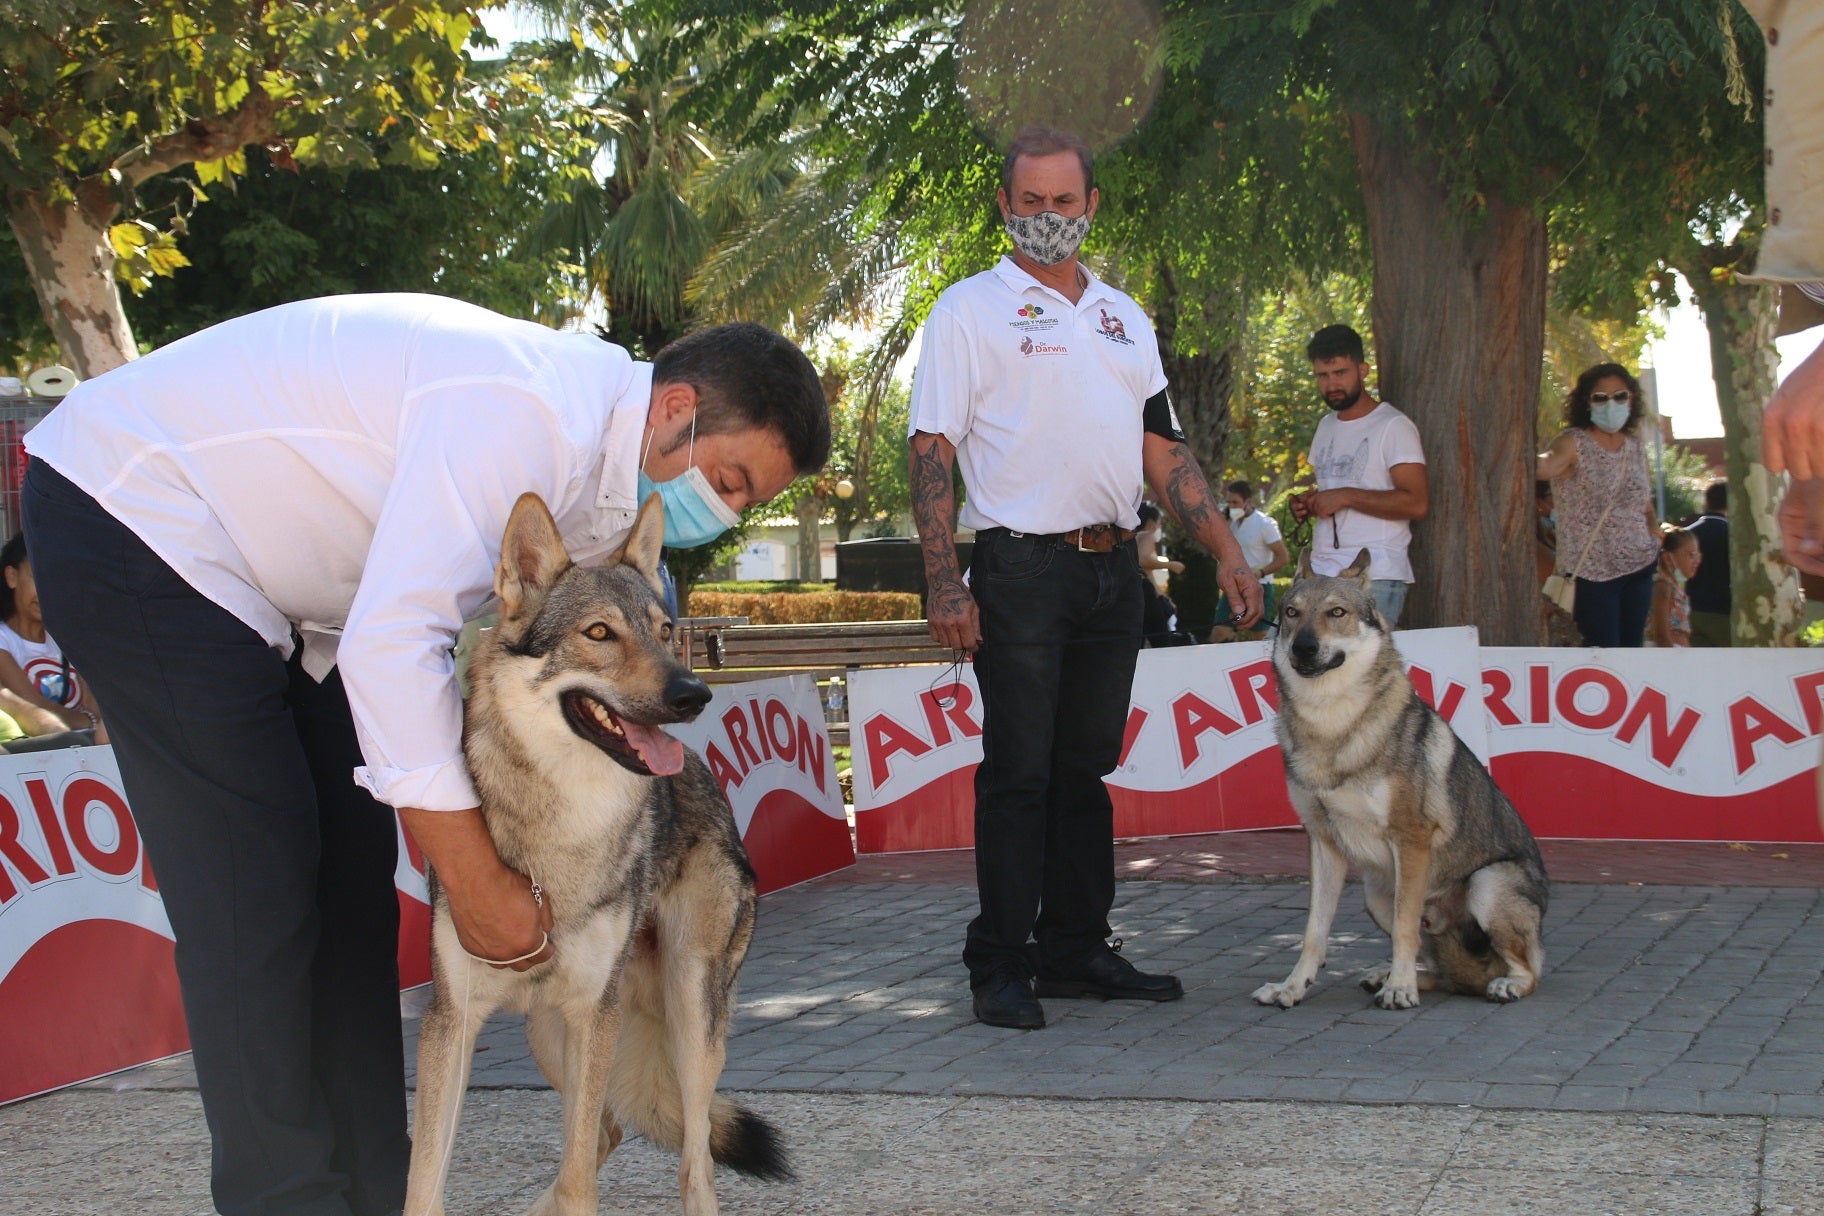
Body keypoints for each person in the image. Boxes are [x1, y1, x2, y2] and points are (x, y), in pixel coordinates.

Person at [20, 295, 829, 1216]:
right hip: (133, 515)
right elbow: (396, 640)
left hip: (291, 596)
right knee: (257, 891)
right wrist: (474, 876)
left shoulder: (601, 476)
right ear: (677, 410)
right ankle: (284, 1199)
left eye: (747, 502)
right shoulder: (525, 414)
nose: (721, 510)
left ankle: (374, 1193)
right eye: (727, 480)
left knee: (351, 882)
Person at [908, 126, 1261, 1031]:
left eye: (1064, 203)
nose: (1048, 220)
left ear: (1091, 206)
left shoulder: (1124, 317)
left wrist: (1223, 545)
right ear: (1005, 206)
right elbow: (932, 446)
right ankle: (1000, 963)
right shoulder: (967, 312)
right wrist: (945, 582)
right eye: (1030, 203)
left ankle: (1075, 948)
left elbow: (1163, 448)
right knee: (1019, 773)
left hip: (1115, 571)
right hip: (1019, 567)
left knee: (1083, 771)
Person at [1287, 325, 1429, 625]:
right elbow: (1331, 492)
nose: (1331, 384)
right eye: (1323, 376)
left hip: (1375, 576)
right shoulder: (1325, 426)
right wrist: (1309, 504)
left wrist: (1346, 496)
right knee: (1292, 664)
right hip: (1320, 573)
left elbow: (1416, 503)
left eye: (1340, 372)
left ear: (1362, 370)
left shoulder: (1393, 426)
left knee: (1356, 672)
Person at [1535, 363, 1661, 648]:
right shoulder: (1573, 442)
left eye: (1619, 396)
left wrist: (1655, 534)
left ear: (1632, 398)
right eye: (1600, 398)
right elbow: (1545, 466)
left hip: (1639, 568)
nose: (1611, 404)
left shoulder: (1635, 447)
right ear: (1585, 402)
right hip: (1591, 575)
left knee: (1631, 653)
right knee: (1601, 657)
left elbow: (1645, 504)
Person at [0, 531, 107, 743]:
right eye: (36, 578)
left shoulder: (69, 636)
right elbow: (30, 704)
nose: (46, 592)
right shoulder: (4, 638)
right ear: (11, 577)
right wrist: (88, 721)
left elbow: (97, 703)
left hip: (92, 752)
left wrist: (91, 719)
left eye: (55, 581)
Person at [1210, 480, 1289, 641]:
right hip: (1234, 587)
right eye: (1229, 502)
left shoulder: (1265, 524)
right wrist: (1224, 527)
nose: (1232, 506)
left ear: (1248, 502)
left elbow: (1283, 557)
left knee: (1259, 637)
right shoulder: (1229, 524)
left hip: (1260, 586)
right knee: (1219, 632)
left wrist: (1260, 573)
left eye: (1236, 502)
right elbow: (1215, 555)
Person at [1684, 482, 1731, 646]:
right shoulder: (1732, 534)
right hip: (1724, 610)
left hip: (1693, 609)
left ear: (1707, 501)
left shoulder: (1688, 533)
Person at [1134, 503, 1185, 644]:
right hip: (1148, 596)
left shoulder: (1132, 537)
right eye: (1159, 524)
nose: (1159, 528)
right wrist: (1170, 565)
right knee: (1162, 641)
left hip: (1140, 593)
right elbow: (1142, 560)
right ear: (1151, 523)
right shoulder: (1146, 536)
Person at [1649, 527, 1701, 649]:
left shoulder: (1675, 587)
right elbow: (1661, 635)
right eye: (1691, 555)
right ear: (1667, 558)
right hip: (1667, 656)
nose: (1696, 561)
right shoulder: (1663, 587)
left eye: (1698, 556)